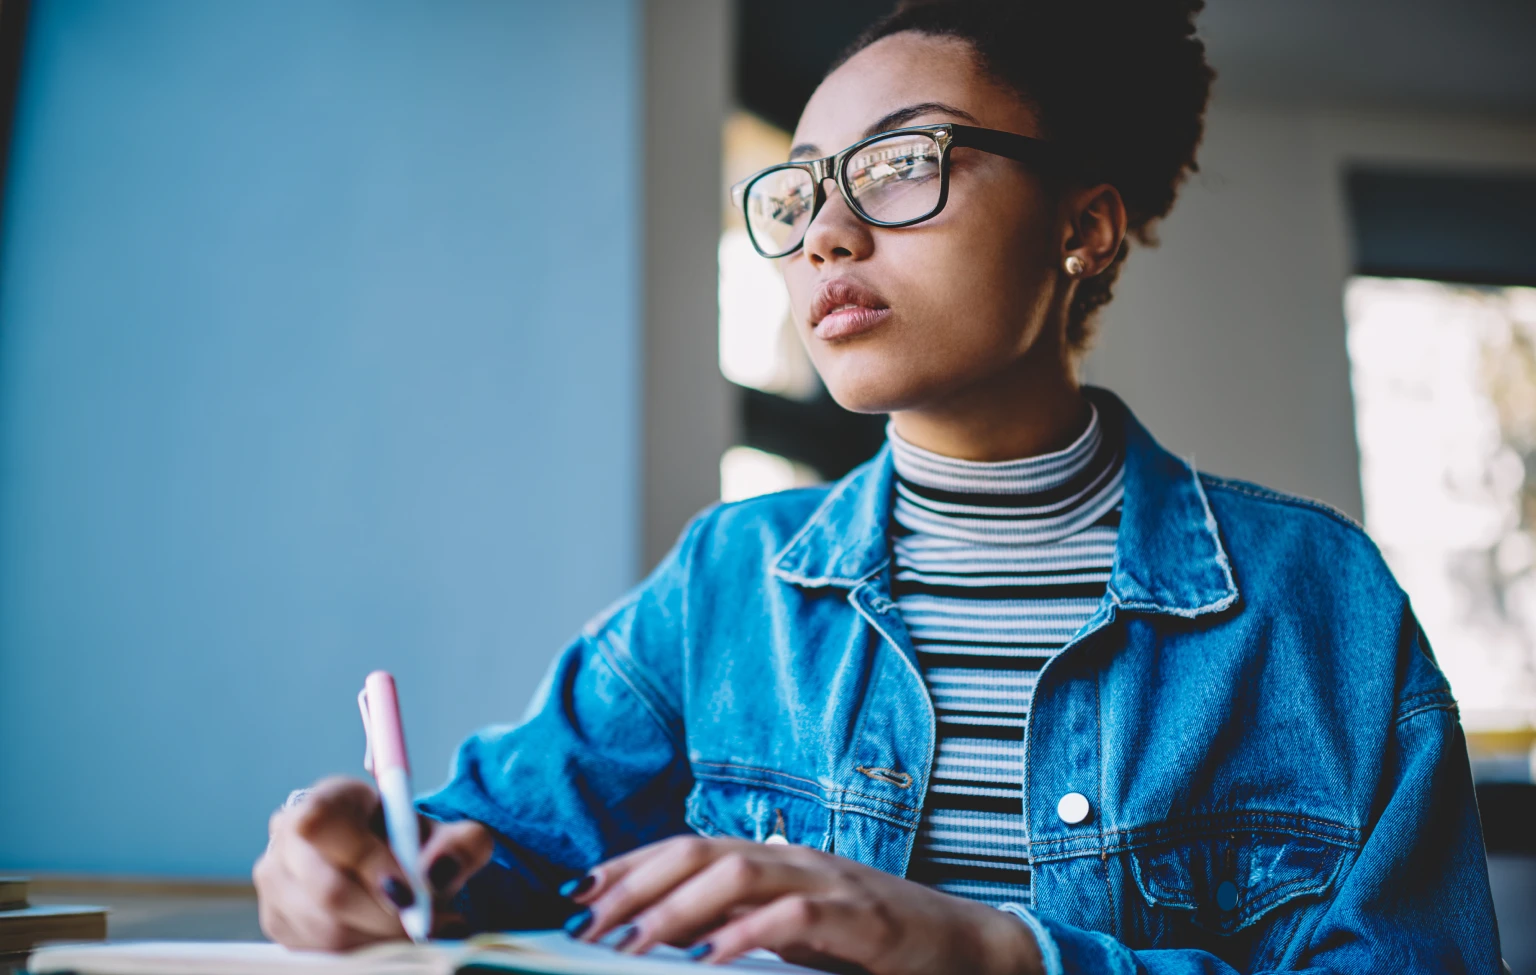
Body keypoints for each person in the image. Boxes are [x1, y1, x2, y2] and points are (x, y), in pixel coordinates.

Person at [253, 2, 1504, 972]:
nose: (829, 238)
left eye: (902, 166)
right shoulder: (725, 581)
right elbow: (500, 849)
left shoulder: (1316, 599)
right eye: (796, 195)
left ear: (1088, 228)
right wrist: (360, 864)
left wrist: (992, 954)